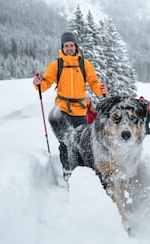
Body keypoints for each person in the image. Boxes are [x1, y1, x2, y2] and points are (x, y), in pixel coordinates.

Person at [33, 31, 108, 180]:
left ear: (75, 46)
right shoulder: (56, 64)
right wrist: (39, 84)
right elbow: (46, 82)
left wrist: (102, 90)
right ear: (62, 47)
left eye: (71, 45)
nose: (69, 48)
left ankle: (82, 173)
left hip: (80, 110)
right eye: (66, 45)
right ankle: (67, 172)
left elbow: (94, 83)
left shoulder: (84, 64)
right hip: (62, 110)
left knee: (82, 142)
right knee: (65, 142)